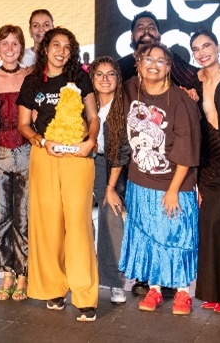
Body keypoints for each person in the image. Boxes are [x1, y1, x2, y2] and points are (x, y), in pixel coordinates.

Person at [17, 27, 100, 322]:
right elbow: (24, 124)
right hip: (45, 155)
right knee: (48, 224)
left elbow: (93, 116)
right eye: (56, 45)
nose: (61, 51)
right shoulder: (32, 81)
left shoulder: (79, 77)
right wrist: (41, 142)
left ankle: (85, 295)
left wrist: (90, 141)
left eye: (67, 46)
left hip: (78, 155)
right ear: (45, 48)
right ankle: (54, 288)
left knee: (78, 223)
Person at [119, 42, 201, 315]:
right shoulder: (129, 89)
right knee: (149, 238)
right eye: (148, 59)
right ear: (138, 63)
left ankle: (182, 292)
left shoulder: (181, 101)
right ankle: (154, 288)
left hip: (174, 183)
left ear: (169, 68)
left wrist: (173, 190)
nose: (153, 64)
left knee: (176, 237)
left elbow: (187, 150)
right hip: (140, 182)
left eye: (161, 61)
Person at [0, 25, 31, 301]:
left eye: (15, 43)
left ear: (21, 47)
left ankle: (23, 275)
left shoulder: (30, 76)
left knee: (24, 216)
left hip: (27, 153)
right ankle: (7, 273)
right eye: (4, 43)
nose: (10, 48)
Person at [189, 30, 220, 314]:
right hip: (208, 160)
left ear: (218, 47)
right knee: (208, 225)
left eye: (206, 45)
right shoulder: (193, 80)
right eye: (196, 49)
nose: (202, 52)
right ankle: (214, 291)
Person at [88, 56, 131, 305]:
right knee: (80, 219)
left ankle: (115, 282)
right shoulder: (86, 104)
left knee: (111, 216)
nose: (105, 79)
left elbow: (123, 150)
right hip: (86, 163)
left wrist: (110, 188)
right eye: (99, 74)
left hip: (115, 167)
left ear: (118, 78)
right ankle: (84, 278)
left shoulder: (124, 106)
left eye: (111, 74)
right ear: (92, 78)